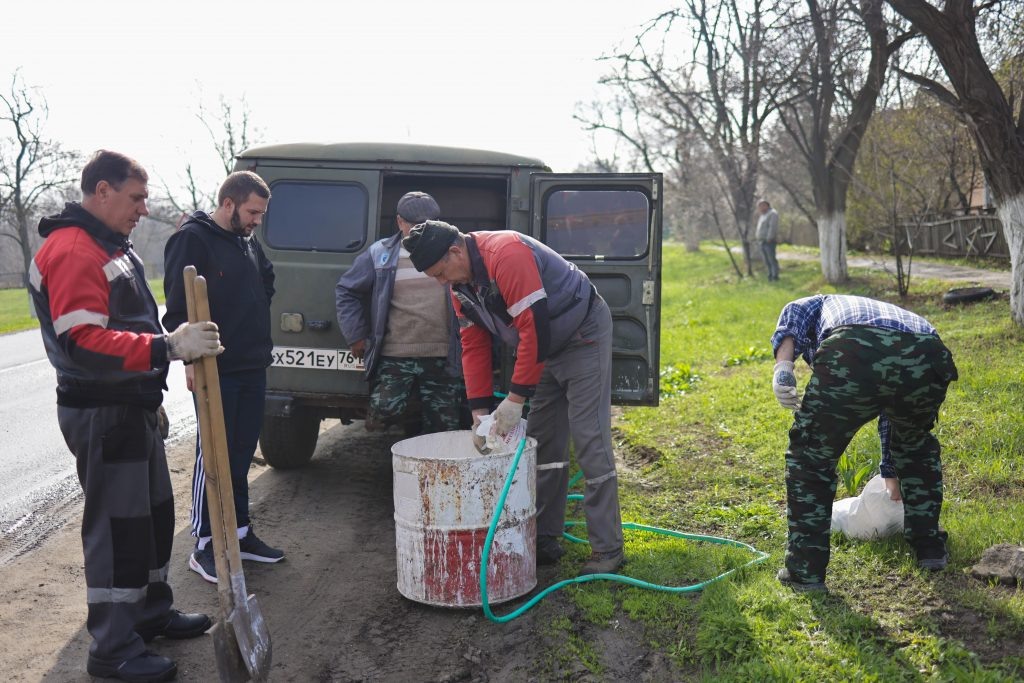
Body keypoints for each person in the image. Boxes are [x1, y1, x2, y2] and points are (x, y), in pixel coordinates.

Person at [30, 150, 222, 682]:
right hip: (102, 411)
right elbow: (83, 343)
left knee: (155, 516)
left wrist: (151, 389)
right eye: (135, 198)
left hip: (132, 405)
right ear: (102, 192)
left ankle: (149, 613)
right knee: (118, 531)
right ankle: (112, 649)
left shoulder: (109, 245)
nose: (143, 209)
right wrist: (167, 347)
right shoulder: (73, 250)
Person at [402, 220, 625, 576]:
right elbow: (473, 344)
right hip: (544, 347)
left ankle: (608, 549)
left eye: (441, 272)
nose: (442, 283)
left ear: (456, 251)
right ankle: (546, 538)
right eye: (435, 277)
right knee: (543, 442)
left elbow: (533, 328)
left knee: (588, 437)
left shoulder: (506, 254)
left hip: (582, 335)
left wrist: (515, 399)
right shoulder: (461, 285)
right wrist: (479, 409)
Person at [770, 294, 958, 591]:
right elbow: (891, 414)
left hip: (853, 346)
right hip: (927, 351)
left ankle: (805, 572)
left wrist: (783, 368)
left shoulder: (817, 303)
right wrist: (891, 470)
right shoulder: (886, 312)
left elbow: (790, 321)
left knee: (811, 455)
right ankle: (930, 550)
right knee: (915, 446)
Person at [163, 171, 283, 585]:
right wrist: (191, 361)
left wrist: (251, 313)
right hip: (216, 368)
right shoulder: (192, 239)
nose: (257, 221)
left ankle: (239, 533)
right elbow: (177, 310)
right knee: (213, 452)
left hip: (251, 364)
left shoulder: (247, 239)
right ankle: (204, 544)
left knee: (241, 450)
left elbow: (265, 279)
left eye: (261, 214)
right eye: (252, 212)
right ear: (228, 204)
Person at [335, 192, 466, 433]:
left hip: (443, 356)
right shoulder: (380, 254)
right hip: (395, 355)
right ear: (400, 222)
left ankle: (429, 467)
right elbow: (347, 290)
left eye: (426, 225)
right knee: (382, 416)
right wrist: (356, 335)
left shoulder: (455, 251)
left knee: (443, 427)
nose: (420, 231)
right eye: (414, 225)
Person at [755, 200, 780, 281]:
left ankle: (775, 276)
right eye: (759, 207)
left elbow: (772, 227)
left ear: (766, 205)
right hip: (762, 241)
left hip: (769, 241)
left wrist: (769, 238)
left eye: (761, 206)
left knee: (771, 259)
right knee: (766, 260)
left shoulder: (772, 213)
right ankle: (770, 275)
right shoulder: (762, 215)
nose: (760, 208)